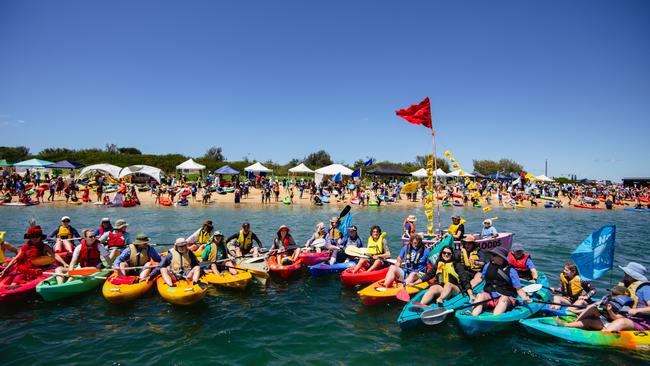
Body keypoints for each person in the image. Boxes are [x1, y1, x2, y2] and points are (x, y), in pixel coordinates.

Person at [469, 247, 531, 316]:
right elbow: (480, 279)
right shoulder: (487, 266)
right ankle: (473, 316)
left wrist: (525, 297)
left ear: (501, 258)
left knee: (503, 299)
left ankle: (494, 319)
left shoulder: (511, 271)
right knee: (480, 296)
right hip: (490, 296)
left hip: (505, 298)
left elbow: (518, 289)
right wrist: (469, 290)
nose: (492, 258)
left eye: (494, 256)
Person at [409, 245, 474, 305]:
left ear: (452, 255)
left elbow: (465, 280)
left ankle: (440, 299)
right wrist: (414, 283)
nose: (446, 255)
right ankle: (421, 304)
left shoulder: (457, 265)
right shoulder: (438, 263)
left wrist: (471, 295)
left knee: (448, 284)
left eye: (449, 253)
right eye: (444, 253)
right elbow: (428, 275)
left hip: (455, 289)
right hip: (442, 287)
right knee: (433, 287)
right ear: (441, 253)